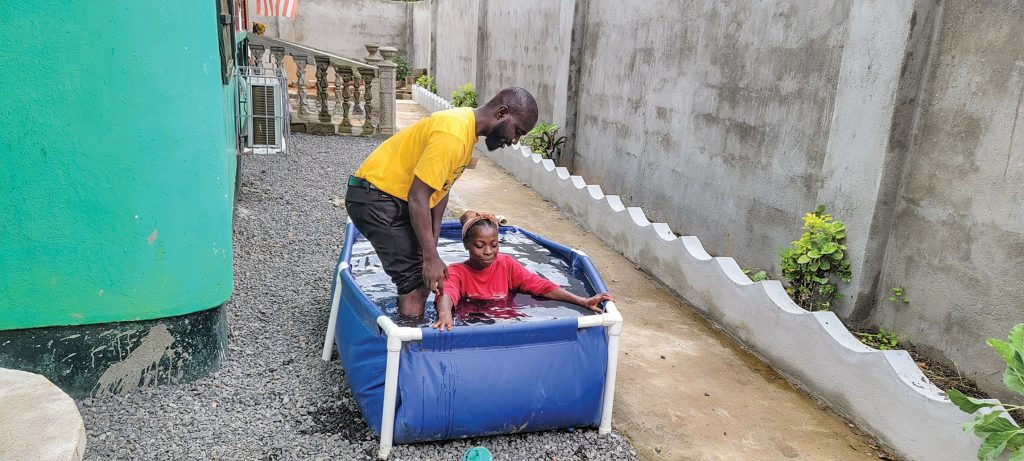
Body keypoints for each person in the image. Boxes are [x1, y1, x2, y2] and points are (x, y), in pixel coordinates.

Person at [345, 87, 540, 318]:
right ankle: (408, 348)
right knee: (416, 282)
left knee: (426, 273)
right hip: (376, 198)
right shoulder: (453, 135)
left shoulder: (466, 133)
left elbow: (441, 190)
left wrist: (433, 246)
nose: (514, 140)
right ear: (502, 112)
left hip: (389, 197)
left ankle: (409, 329)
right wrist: (429, 257)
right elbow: (418, 196)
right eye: (517, 130)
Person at [431, 211, 615, 331]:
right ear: (466, 245)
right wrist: (445, 315)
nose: (488, 252)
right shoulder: (457, 271)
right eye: (480, 245)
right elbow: (447, 292)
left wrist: (582, 300)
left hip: (506, 325)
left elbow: (540, 285)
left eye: (494, 245)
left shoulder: (506, 264)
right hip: (472, 326)